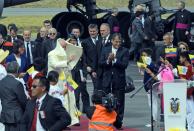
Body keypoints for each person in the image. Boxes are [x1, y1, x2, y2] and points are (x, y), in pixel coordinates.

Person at [99, 33, 129, 129]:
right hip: (107, 80)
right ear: (112, 41)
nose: (118, 43)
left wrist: (115, 59)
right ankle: (107, 121)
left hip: (119, 80)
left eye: (120, 41)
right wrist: (108, 60)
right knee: (106, 101)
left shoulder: (125, 51)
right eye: (116, 41)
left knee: (119, 102)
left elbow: (124, 65)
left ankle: (118, 123)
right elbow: (100, 63)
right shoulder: (105, 49)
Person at [47, 38, 80, 126]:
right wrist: (68, 60)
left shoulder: (66, 53)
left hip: (69, 78)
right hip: (57, 80)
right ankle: (63, 119)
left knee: (72, 97)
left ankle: (74, 118)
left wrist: (72, 61)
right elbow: (55, 64)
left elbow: (69, 66)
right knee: (62, 98)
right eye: (64, 45)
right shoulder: (51, 53)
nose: (66, 47)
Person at [0, 61, 27, 131]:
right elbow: (23, 101)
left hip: (5, 115)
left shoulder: (1, 82)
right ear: (17, 71)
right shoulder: (17, 84)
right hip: (16, 117)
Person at [68, 34, 90, 114]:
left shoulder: (80, 50)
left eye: (74, 41)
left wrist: (84, 75)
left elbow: (84, 64)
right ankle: (71, 114)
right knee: (70, 96)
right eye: (71, 41)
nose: (73, 42)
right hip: (69, 77)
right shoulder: (65, 51)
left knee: (76, 95)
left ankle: (76, 116)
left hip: (78, 76)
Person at [139, 48, 159, 124]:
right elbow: (142, 72)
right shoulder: (146, 63)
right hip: (147, 86)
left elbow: (156, 71)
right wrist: (141, 68)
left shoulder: (152, 63)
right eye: (142, 56)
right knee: (151, 103)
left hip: (152, 85)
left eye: (145, 55)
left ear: (149, 56)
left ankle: (154, 120)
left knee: (153, 102)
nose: (143, 57)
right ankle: (153, 119)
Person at [82, 24, 99, 90]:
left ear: (97, 31)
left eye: (94, 31)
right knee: (95, 86)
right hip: (90, 67)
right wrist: (86, 66)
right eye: (91, 31)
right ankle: (96, 99)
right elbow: (84, 55)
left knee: (99, 86)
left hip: (99, 67)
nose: (92, 33)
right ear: (88, 31)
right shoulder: (85, 42)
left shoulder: (101, 40)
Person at [96, 23, 112, 90]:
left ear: (108, 31)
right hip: (100, 71)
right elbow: (96, 56)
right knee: (100, 92)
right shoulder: (99, 41)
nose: (101, 32)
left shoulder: (113, 40)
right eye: (101, 30)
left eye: (103, 30)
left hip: (110, 71)